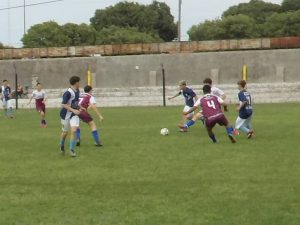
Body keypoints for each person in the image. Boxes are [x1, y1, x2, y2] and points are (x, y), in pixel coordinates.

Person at [59, 76, 81, 157]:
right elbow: (63, 104)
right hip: (65, 115)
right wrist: (73, 109)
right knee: (65, 132)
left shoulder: (78, 91)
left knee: (74, 131)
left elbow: (75, 103)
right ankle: (61, 145)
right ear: (76, 83)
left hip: (74, 115)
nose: (79, 83)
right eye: (79, 82)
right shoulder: (68, 93)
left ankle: (71, 149)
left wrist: (79, 107)